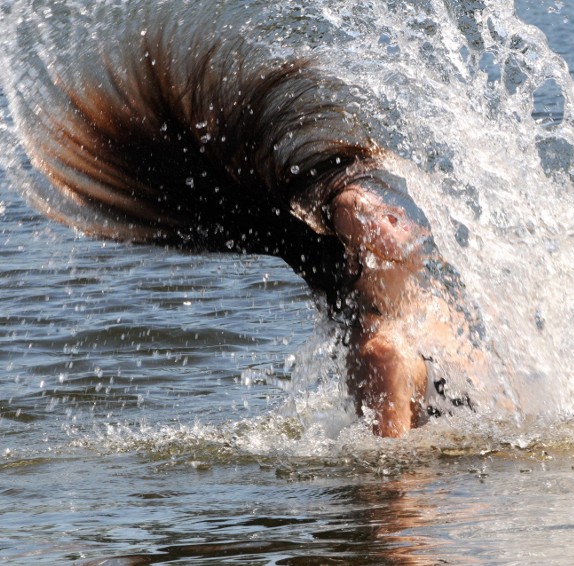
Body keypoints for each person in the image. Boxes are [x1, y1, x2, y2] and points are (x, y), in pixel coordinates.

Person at [7, 1, 483, 437]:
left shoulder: (432, 306)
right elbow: (394, 502)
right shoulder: (382, 354)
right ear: (357, 257)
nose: (398, 213)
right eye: (378, 216)